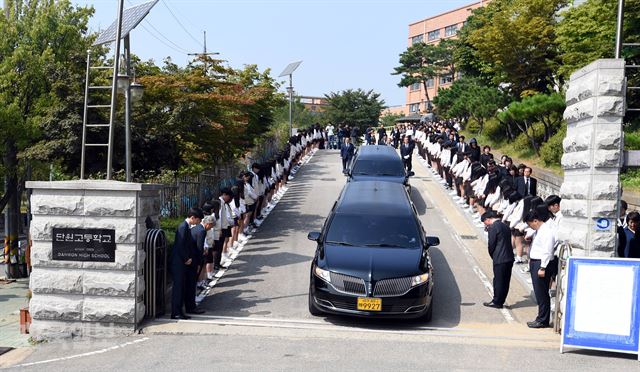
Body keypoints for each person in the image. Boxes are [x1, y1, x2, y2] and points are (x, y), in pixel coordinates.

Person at [524, 211, 557, 328]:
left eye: (530, 224)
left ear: (535, 221)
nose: (530, 227)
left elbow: (548, 251)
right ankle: (541, 317)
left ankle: (543, 320)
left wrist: (542, 267)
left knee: (542, 293)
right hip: (535, 262)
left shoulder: (547, 232)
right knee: (539, 292)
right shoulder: (538, 231)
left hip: (541, 264)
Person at [170, 207, 203, 319]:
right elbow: (180, 245)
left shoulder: (186, 227)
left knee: (181, 287)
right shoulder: (183, 227)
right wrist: (186, 258)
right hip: (178, 262)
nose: (198, 223)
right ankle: (176, 313)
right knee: (178, 288)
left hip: (181, 262)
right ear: (193, 217)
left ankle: (179, 311)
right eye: (198, 220)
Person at [482, 210, 514, 309]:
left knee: (498, 280)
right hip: (509, 257)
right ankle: (501, 299)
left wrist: (492, 255)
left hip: (500, 258)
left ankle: (497, 301)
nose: (485, 225)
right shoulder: (505, 226)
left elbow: (491, 244)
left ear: (488, 219)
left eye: (485, 222)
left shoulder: (493, 227)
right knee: (505, 280)